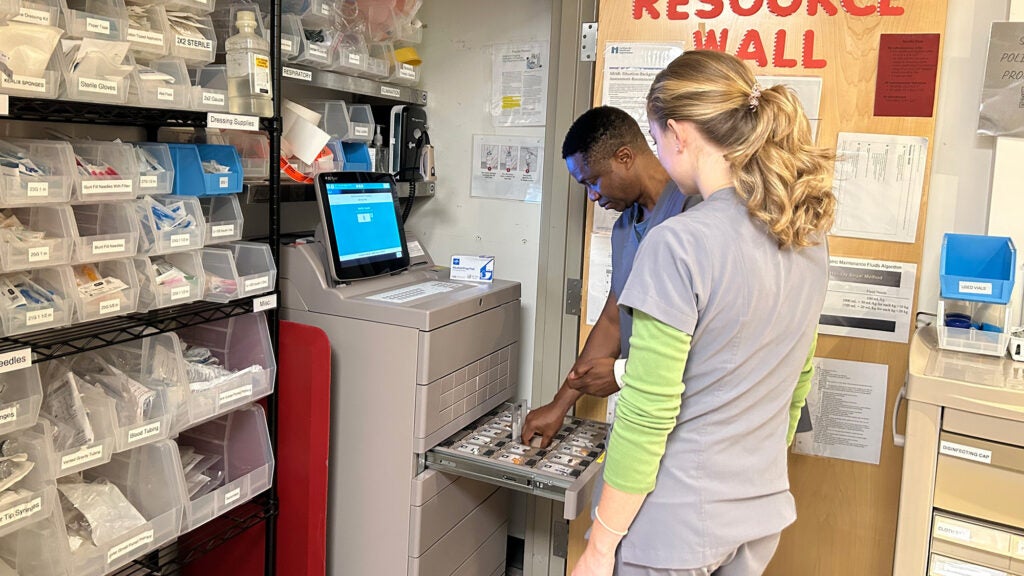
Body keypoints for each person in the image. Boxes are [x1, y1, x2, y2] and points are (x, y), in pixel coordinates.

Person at [572, 51, 836, 576]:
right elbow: (798, 373)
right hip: (758, 514)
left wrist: (600, 546)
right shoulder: (805, 233)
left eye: (655, 138)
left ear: (678, 134)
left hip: (674, 528)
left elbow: (648, 413)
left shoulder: (679, 244)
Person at [521, 105, 700, 448]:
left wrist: (622, 373)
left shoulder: (694, 211)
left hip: (697, 418)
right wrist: (559, 406)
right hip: (649, 411)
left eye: (592, 181)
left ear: (624, 157)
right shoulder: (625, 228)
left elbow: (712, 337)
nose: (593, 196)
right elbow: (614, 320)